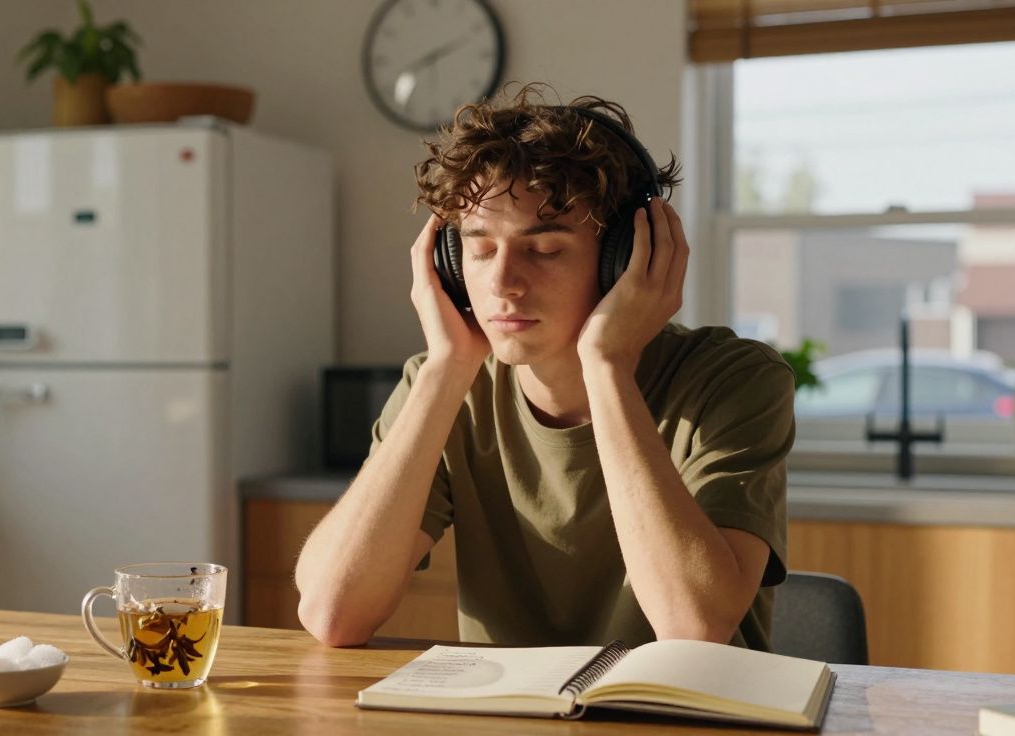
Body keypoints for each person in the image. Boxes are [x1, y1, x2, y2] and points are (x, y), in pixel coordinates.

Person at [294, 84, 795, 650]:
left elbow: (694, 627)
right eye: (480, 250)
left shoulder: (733, 379)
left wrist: (607, 366)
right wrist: (444, 371)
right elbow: (334, 612)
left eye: (546, 249)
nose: (502, 283)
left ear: (624, 260)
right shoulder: (443, 382)